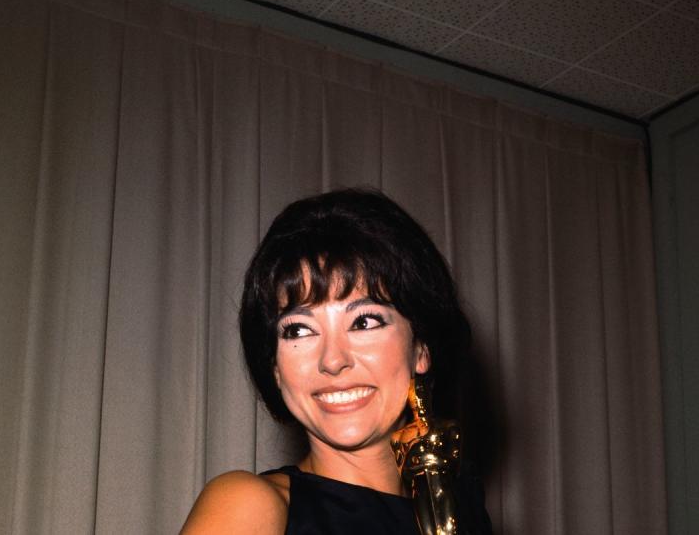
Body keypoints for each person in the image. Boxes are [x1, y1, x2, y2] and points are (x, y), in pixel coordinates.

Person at [182, 188, 488, 534]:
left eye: (364, 322)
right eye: (298, 330)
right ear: (275, 369)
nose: (332, 360)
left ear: (421, 348)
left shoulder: (463, 513)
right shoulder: (248, 504)